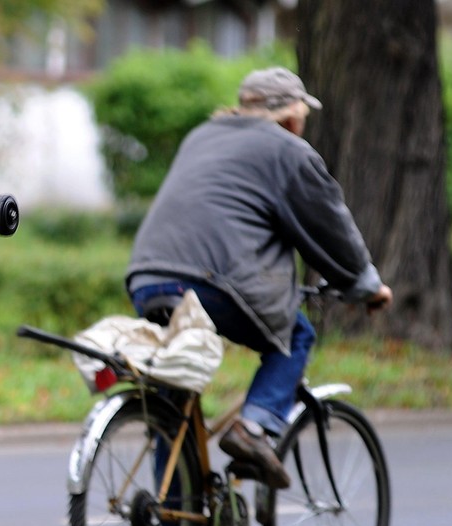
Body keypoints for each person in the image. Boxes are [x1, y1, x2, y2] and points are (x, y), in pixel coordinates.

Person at [126, 66, 393, 489]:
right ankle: (252, 429)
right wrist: (366, 286)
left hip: (147, 276)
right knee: (297, 335)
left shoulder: (202, 135)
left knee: (173, 401)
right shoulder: (288, 149)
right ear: (291, 115)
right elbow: (328, 227)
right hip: (212, 284)